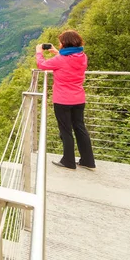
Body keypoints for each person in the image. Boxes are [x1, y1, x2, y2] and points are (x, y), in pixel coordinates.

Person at [35, 30, 96, 170]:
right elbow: (69, 61)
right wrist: (57, 52)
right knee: (80, 128)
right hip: (79, 99)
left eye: (61, 42)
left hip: (62, 100)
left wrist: (39, 52)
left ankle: (68, 160)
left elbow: (42, 65)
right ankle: (88, 160)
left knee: (66, 130)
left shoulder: (60, 60)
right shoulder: (82, 57)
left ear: (65, 44)